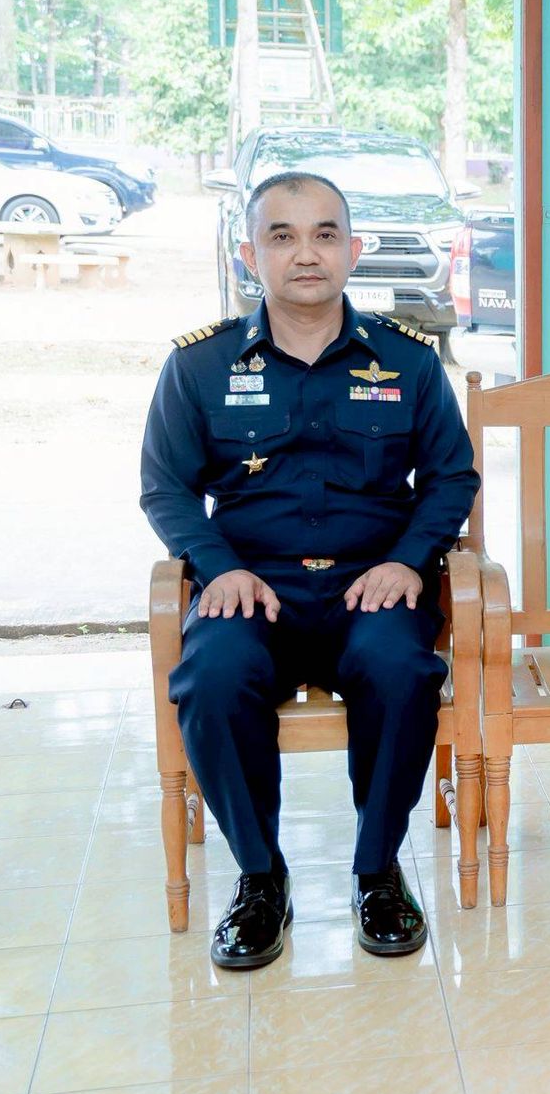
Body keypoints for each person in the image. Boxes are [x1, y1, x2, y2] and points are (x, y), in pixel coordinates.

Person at [141, 171, 478, 969]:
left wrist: (408, 561)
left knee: (401, 670)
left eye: (325, 234)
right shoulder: (200, 365)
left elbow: (451, 477)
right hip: (252, 586)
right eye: (282, 236)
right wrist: (217, 568)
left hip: (373, 584)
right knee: (212, 678)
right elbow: (165, 486)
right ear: (249, 253)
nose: (306, 253)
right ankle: (261, 877)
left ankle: (376, 870)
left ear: (353, 250)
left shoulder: (407, 360)